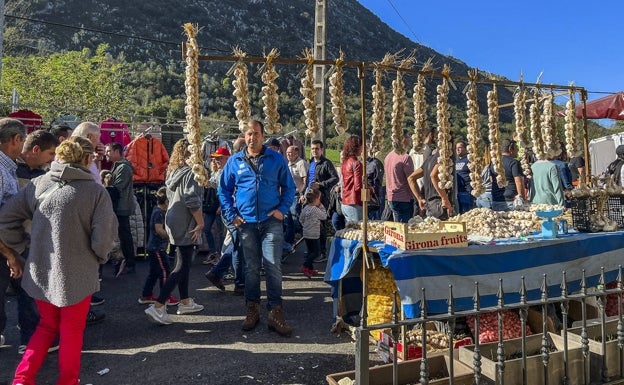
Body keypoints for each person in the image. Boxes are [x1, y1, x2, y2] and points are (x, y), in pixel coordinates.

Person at [0, 136, 117, 385]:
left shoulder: (38, 184)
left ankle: (22, 378)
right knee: (72, 331)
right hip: (79, 272)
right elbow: (103, 237)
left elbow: (5, 219)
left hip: (40, 270)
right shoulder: (96, 192)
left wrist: (22, 246)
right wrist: (99, 257)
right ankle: (67, 381)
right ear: (86, 159)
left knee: (46, 327)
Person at [219, 119, 296, 337]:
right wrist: (231, 214)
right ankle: (252, 309)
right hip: (246, 223)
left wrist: (282, 209)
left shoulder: (276, 159)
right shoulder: (234, 161)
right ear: (244, 136)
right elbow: (223, 191)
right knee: (250, 268)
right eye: (249, 134)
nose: (252, 137)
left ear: (263, 135)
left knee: (273, 265)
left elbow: (289, 188)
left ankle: (275, 312)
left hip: (271, 220)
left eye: (256, 133)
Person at [144, 138, 205, 325]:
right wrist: (200, 222)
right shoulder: (191, 172)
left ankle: (185, 301)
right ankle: (159, 305)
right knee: (181, 265)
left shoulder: (175, 171)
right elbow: (191, 199)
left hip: (173, 220)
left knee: (182, 261)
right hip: (186, 221)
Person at [0, 118, 26, 349]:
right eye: (23, 141)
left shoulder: (7, 168)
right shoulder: (0, 171)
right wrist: (10, 255)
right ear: (15, 140)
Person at [139, 187, 179, 306]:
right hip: (157, 248)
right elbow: (159, 230)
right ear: (166, 201)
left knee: (154, 272)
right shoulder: (159, 213)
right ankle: (165, 296)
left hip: (155, 247)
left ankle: (146, 295)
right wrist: (171, 237)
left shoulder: (157, 211)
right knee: (165, 271)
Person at [105, 142, 136, 276]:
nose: (107, 154)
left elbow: (117, 188)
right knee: (122, 234)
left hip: (121, 206)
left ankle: (129, 263)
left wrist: (105, 187)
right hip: (118, 206)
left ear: (117, 151)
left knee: (124, 235)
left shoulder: (123, 168)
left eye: (108, 151)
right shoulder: (118, 166)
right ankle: (124, 261)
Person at [306, 139, 338, 260]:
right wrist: (304, 193)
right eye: (313, 148)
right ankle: (313, 251)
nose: (314, 151)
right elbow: (308, 180)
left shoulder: (326, 163)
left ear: (322, 150)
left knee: (320, 225)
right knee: (310, 225)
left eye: (317, 148)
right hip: (309, 197)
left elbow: (335, 178)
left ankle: (322, 252)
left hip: (322, 198)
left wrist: (321, 184)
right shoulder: (310, 163)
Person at [200, 147, 230, 266]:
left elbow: (228, 191)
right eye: (215, 159)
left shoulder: (227, 172)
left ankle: (222, 257)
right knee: (207, 228)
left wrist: (222, 206)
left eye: (220, 158)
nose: (217, 161)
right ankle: (214, 253)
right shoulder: (216, 172)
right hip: (212, 204)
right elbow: (209, 185)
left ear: (227, 159)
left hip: (221, 204)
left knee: (222, 232)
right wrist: (201, 178)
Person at [408, 147, 454, 220]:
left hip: (429, 204)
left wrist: (419, 199)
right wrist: (444, 198)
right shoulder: (442, 157)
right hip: (440, 204)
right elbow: (433, 175)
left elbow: (411, 178)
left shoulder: (428, 160)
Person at [384, 129, 415, 222]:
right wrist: (419, 197)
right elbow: (411, 179)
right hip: (404, 199)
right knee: (404, 229)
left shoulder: (388, 157)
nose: (409, 140)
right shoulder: (406, 157)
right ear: (404, 139)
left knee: (397, 227)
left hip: (391, 198)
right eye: (408, 137)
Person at [491, 139, 525, 211]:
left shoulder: (493, 163)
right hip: (510, 200)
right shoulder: (514, 162)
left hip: (496, 199)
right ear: (510, 149)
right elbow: (518, 181)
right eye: (516, 148)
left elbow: (491, 180)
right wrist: (521, 197)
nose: (517, 151)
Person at [284, 145, 308, 249]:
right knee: (288, 219)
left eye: (291, 152)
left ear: (296, 153)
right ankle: (289, 242)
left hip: (297, 195)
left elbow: (305, 180)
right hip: (288, 195)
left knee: (295, 218)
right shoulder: (289, 164)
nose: (288, 154)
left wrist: (302, 193)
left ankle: (307, 236)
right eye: (287, 153)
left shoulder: (300, 163)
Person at [299, 189, 326, 278]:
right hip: (314, 234)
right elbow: (324, 216)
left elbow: (301, 219)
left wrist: (305, 226)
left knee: (310, 251)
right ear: (316, 199)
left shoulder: (306, 208)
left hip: (306, 233)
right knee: (316, 252)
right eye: (319, 199)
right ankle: (305, 265)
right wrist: (321, 206)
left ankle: (310, 268)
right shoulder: (315, 209)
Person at [341, 135, 364, 222]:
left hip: (345, 202)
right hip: (354, 202)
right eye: (361, 146)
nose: (362, 149)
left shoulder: (345, 162)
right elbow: (358, 187)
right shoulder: (356, 163)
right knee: (359, 232)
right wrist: (370, 189)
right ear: (356, 147)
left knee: (349, 233)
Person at [454, 140, 474, 213]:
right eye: (456, 148)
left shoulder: (469, 160)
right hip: (457, 192)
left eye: (460, 147)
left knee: (467, 213)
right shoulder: (455, 161)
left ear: (465, 149)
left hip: (467, 191)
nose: (457, 149)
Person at [366, 152, 384, 220]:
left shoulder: (376, 163)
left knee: (374, 219)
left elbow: (378, 180)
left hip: (374, 196)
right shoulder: (361, 163)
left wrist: (374, 195)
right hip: (364, 196)